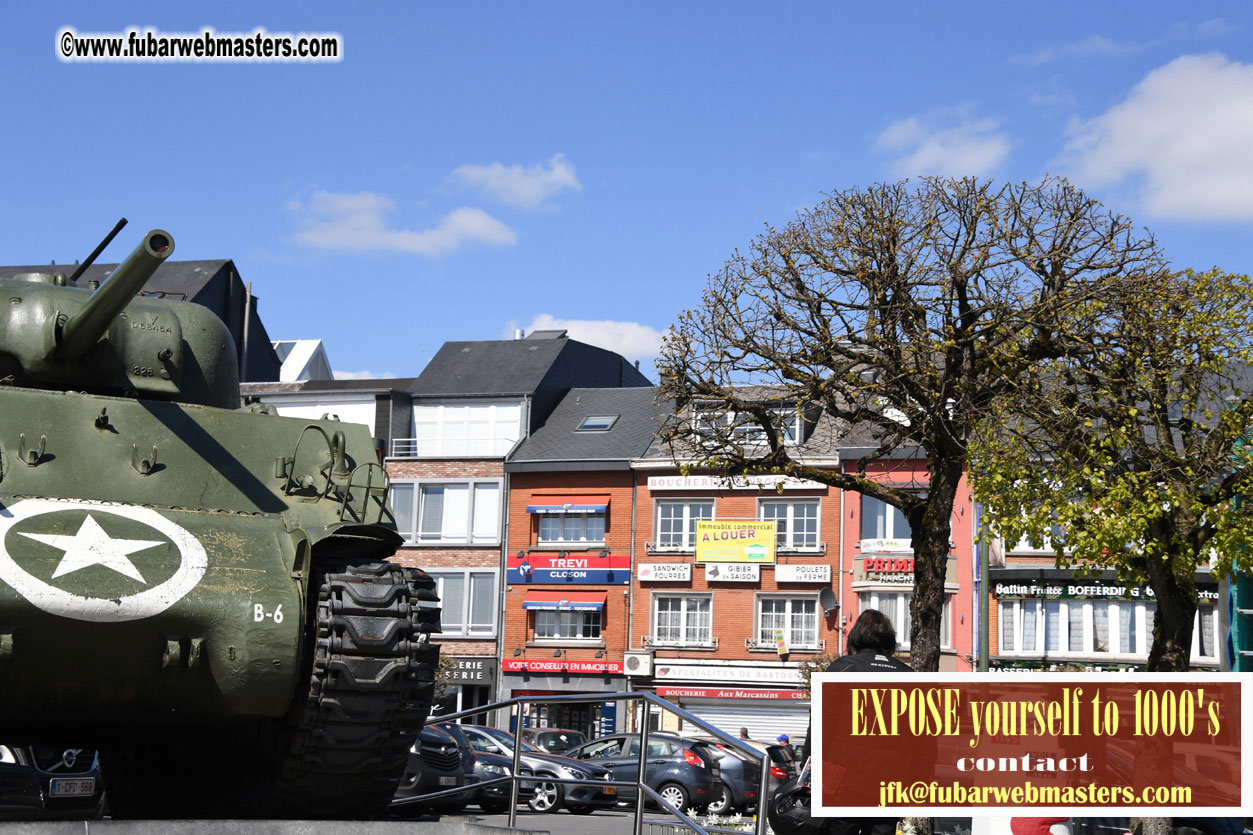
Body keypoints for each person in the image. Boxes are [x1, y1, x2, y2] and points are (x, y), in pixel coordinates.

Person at [817, 609, 914, 835]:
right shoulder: (908, 676)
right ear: (889, 639)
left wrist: (810, 772)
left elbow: (822, 726)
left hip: (842, 777)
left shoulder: (841, 669)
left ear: (856, 637)